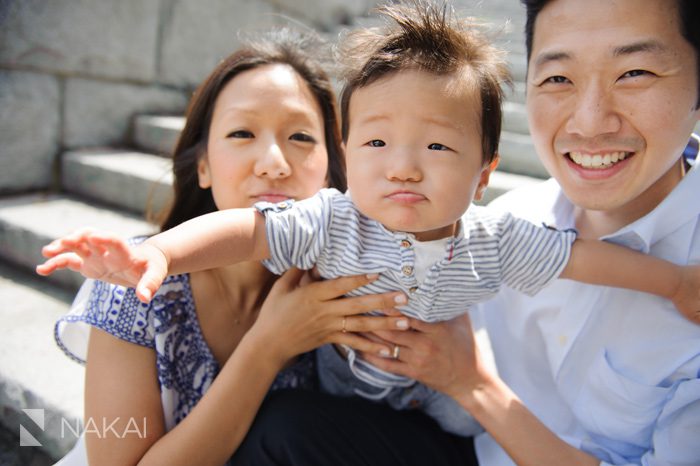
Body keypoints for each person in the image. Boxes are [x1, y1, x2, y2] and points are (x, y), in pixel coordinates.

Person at [38, 0, 700, 443]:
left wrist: (672, 284)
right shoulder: (332, 221)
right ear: (348, 158)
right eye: (378, 145)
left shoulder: (494, 240)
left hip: (436, 397)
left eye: (437, 147)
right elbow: (250, 229)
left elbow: (582, 258)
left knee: (462, 438)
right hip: (343, 389)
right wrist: (161, 256)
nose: (405, 168)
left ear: (484, 171)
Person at [225, 0, 700, 465]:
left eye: (635, 73)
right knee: (281, 430)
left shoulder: (501, 236)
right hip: (455, 440)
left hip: (477, 422)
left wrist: (471, 385)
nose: (591, 121)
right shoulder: (509, 217)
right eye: (558, 78)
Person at [46, 29, 414, 466]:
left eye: (301, 138)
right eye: (242, 133)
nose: (274, 164)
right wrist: (268, 346)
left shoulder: (344, 287)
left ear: (333, 170)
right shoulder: (137, 280)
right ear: (203, 165)